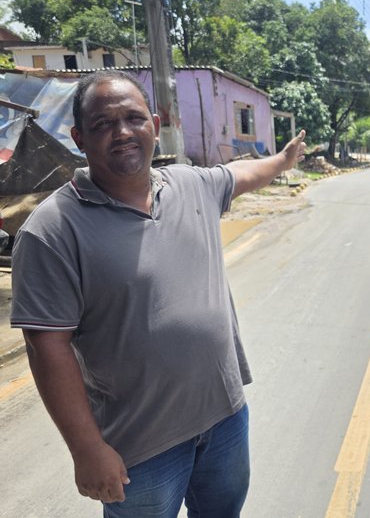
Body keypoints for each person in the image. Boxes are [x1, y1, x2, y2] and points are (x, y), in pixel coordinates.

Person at [10, 69, 307, 517]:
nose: (123, 132)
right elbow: (47, 347)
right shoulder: (52, 230)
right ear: (79, 139)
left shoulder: (190, 185)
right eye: (104, 124)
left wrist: (283, 161)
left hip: (224, 417)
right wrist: (86, 448)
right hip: (141, 446)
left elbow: (241, 173)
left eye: (133, 118)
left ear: (155, 123)